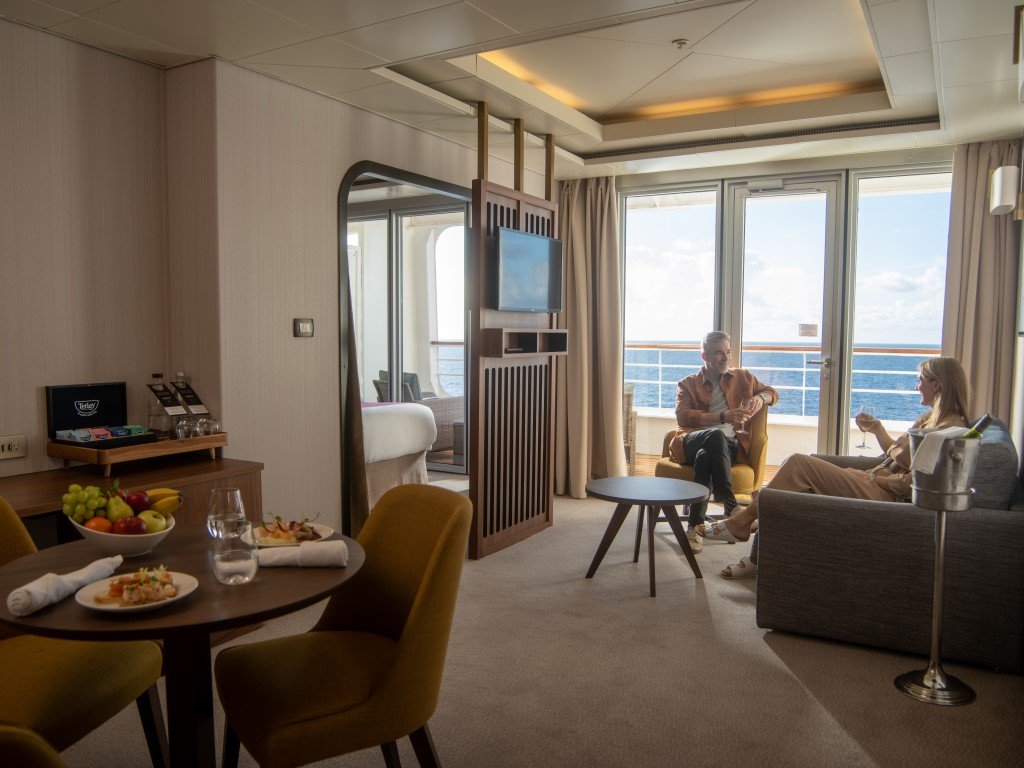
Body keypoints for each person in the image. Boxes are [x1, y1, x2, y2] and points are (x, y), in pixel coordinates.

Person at [699, 355, 971, 577]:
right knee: (790, 486)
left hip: (882, 493)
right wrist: (877, 430)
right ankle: (757, 553)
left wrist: (874, 480)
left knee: (798, 464)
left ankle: (743, 521)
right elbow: (900, 456)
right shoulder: (929, 419)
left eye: (920, 380)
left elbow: (912, 484)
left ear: (937, 385)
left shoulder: (950, 431)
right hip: (872, 479)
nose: (916, 386)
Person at [671, 331, 779, 554]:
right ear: (705, 357)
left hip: (727, 446)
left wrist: (760, 398)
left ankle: (694, 527)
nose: (726, 357)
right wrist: (723, 417)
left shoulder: (743, 378)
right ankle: (731, 505)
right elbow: (683, 416)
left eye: (728, 351)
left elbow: (772, 393)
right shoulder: (688, 384)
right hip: (692, 440)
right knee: (714, 435)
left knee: (705, 456)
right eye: (719, 352)